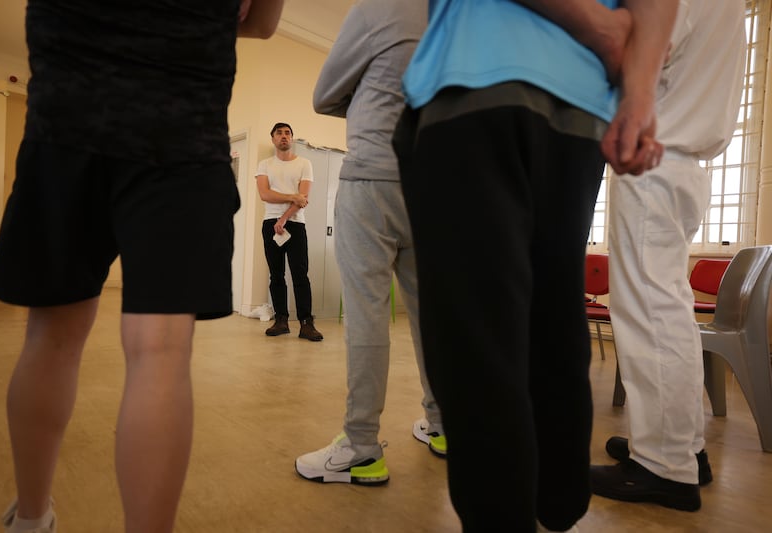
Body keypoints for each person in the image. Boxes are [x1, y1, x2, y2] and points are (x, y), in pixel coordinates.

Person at [0, 1, 284, 532]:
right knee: (161, 353)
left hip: (67, 115)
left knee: (50, 338)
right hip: (183, 127)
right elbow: (261, 23)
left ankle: (30, 520)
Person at [391, 1, 677, 531]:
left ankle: (508, 514)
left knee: (476, 338)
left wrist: (597, 25)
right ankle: (558, 496)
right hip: (581, 104)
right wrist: (639, 94)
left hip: (474, 78)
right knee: (553, 313)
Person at [590, 0, 747, 512]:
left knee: (650, 316)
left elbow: (635, 52)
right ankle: (681, 449)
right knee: (667, 310)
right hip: (682, 163)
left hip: (654, 155)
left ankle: (663, 466)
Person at [294, 0, 443, 486]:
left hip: (373, 178)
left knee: (367, 317)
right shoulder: (461, 16)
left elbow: (323, 98)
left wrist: (366, 94)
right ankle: (444, 425)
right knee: (431, 317)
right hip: (432, 186)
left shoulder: (377, 9)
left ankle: (361, 446)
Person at [255, 122, 324, 342]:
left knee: (300, 274)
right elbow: (265, 194)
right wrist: (291, 197)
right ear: (273, 138)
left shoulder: (305, 163)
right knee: (276, 275)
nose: (283, 136)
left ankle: (306, 323)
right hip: (270, 224)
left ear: (291, 139)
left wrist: (284, 217)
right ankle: (281, 320)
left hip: (294, 224)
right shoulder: (264, 165)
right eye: (279, 133)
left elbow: (303, 198)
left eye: (287, 133)